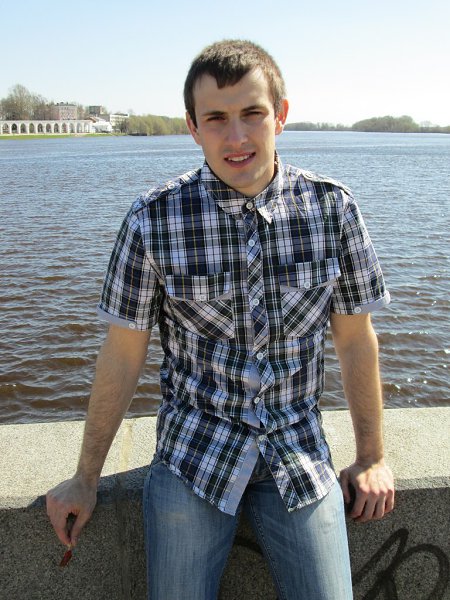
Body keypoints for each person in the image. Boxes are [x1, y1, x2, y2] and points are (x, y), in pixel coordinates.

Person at [47, 39, 395, 600]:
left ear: (280, 114)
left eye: (252, 113)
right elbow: (122, 354)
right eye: (216, 119)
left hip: (298, 455)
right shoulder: (152, 220)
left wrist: (372, 457)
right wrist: (86, 478)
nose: (236, 138)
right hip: (194, 455)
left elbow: (356, 340)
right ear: (193, 126)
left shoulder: (334, 209)